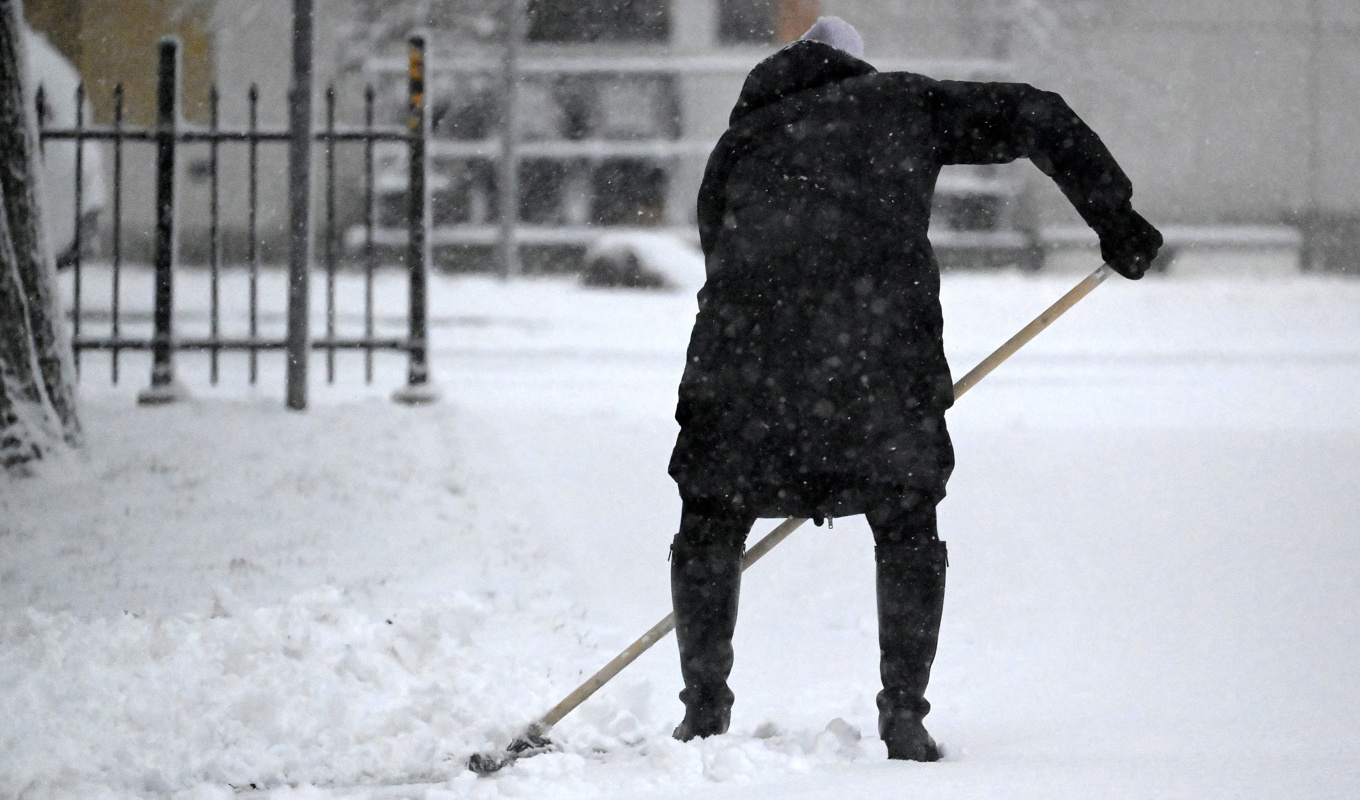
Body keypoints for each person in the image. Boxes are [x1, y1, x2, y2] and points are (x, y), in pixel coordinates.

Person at [666, 17, 1162, 761]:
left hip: (744, 369)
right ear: (853, 68)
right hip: (879, 360)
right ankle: (903, 714)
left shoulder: (740, 142)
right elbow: (1038, 114)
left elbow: (719, 260)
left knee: (710, 520)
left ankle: (703, 710)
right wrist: (1113, 215)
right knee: (905, 523)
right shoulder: (903, 104)